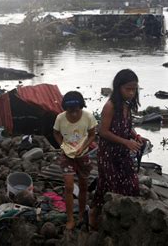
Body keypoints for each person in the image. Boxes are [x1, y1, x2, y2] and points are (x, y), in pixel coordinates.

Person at [89, 69, 144, 229]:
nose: (132, 92)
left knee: (132, 184)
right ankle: (95, 214)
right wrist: (126, 142)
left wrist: (135, 136)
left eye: (134, 89)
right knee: (111, 186)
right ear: (118, 87)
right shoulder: (110, 106)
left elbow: (126, 126)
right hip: (108, 154)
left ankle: (115, 217)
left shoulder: (127, 106)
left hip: (122, 154)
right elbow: (103, 131)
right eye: (128, 89)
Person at [53, 91, 97, 230]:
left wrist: (84, 146)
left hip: (83, 156)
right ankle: (70, 218)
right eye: (70, 111)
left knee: (84, 186)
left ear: (81, 108)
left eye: (76, 111)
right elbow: (56, 132)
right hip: (67, 157)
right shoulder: (60, 118)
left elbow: (92, 134)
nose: (73, 114)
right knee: (69, 186)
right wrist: (62, 145)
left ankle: (81, 215)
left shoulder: (88, 117)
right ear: (65, 109)